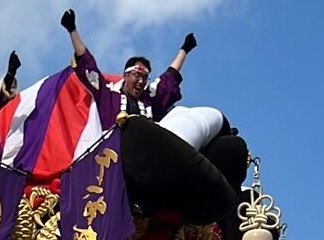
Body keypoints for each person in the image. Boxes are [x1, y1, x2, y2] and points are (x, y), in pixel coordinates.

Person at [61, 9, 226, 151]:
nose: (141, 82)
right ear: (125, 75)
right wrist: (72, 30)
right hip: (111, 160)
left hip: (146, 158)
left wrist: (185, 49)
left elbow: (169, 79)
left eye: (145, 78)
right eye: (137, 76)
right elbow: (89, 66)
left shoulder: (149, 100)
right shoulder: (108, 95)